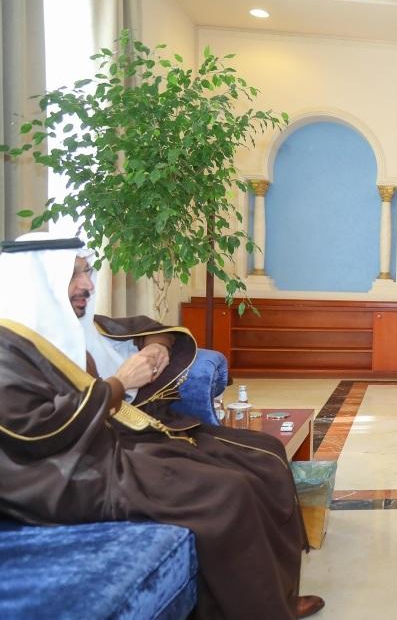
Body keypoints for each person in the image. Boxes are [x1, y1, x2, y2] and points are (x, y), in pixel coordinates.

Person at [0, 233, 324, 619]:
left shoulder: (69, 325)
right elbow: (40, 430)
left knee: (265, 454)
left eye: (86, 272)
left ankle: (277, 597)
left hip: (105, 446)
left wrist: (157, 346)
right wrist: (119, 383)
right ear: (38, 281)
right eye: (74, 275)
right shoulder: (7, 351)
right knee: (228, 491)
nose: (87, 284)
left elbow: (147, 330)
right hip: (66, 477)